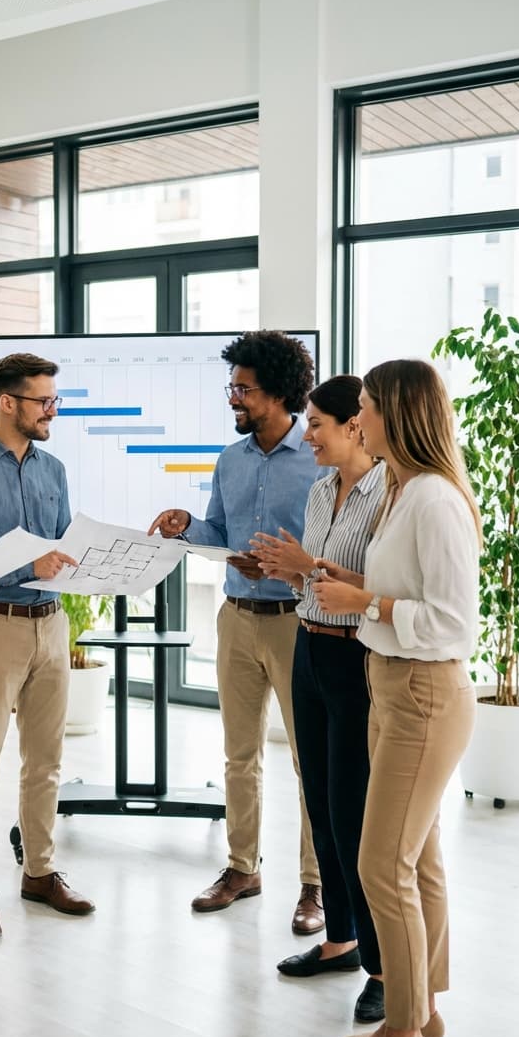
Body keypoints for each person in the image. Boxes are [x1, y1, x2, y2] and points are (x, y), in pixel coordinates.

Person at [309, 359, 480, 1037]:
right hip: (391, 687)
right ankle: (424, 1015)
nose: (359, 418)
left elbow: (452, 623)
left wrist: (368, 604)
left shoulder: (435, 500)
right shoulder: (403, 492)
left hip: (423, 693)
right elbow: (390, 591)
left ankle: (405, 1035)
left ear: (395, 415)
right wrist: (352, 591)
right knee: (422, 861)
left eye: (368, 407)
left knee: (383, 864)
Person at [149, 330, 323, 933]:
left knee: (310, 760)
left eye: (243, 390)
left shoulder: (319, 460)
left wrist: (288, 563)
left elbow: (329, 551)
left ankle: (315, 884)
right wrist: (187, 526)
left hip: (299, 624)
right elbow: (220, 532)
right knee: (239, 755)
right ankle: (242, 867)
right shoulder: (231, 459)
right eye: (233, 388)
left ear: (276, 393)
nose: (234, 399)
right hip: (237, 618)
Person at [0, 353, 95, 941]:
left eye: (54, 400)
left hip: (50, 625)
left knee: (46, 762)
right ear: (8, 403)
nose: (52, 410)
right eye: (43, 401)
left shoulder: (53, 469)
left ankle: (39, 871)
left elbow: (58, 546)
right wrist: (25, 565)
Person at [250, 376, 386, 1023]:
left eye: (317, 425)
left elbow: (385, 588)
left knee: (355, 812)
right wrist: (290, 569)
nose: (308, 436)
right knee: (320, 804)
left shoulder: (389, 492)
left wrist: (311, 566)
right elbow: (315, 576)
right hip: (309, 648)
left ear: (354, 426)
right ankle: (339, 938)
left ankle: (384, 967)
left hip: (356, 658)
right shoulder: (317, 490)